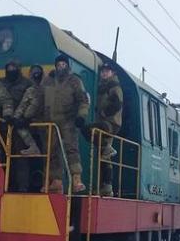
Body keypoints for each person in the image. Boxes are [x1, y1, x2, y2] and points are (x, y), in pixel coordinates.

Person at [43, 54, 89, 193]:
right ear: (55, 66)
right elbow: (41, 100)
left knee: (71, 150)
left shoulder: (75, 80)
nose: (61, 66)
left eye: (63, 64)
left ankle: (76, 179)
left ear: (67, 65)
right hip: (52, 122)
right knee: (52, 152)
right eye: (58, 64)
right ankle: (56, 181)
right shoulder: (49, 81)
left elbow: (83, 100)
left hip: (69, 121)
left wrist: (81, 116)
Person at [1, 60, 36, 191]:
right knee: (2, 157)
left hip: (21, 126)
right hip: (3, 127)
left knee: (21, 156)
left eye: (14, 67)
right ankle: (3, 185)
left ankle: (22, 187)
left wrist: (26, 119)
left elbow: (33, 101)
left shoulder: (27, 84)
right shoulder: (1, 83)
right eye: (9, 67)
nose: (11, 70)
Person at [90, 61, 123, 196]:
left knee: (105, 154)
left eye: (107, 71)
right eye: (103, 71)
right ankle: (105, 186)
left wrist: (104, 113)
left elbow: (117, 104)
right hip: (104, 122)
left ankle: (107, 186)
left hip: (110, 123)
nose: (104, 73)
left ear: (112, 73)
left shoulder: (114, 86)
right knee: (104, 154)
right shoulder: (102, 86)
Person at [14, 64, 45, 155]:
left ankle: (33, 147)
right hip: (35, 122)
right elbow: (23, 105)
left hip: (43, 121)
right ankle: (33, 147)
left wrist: (17, 117)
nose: (36, 75)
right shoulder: (31, 90)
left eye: (37, 73)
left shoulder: (46, 89)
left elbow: (22, 106)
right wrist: (16, 119)